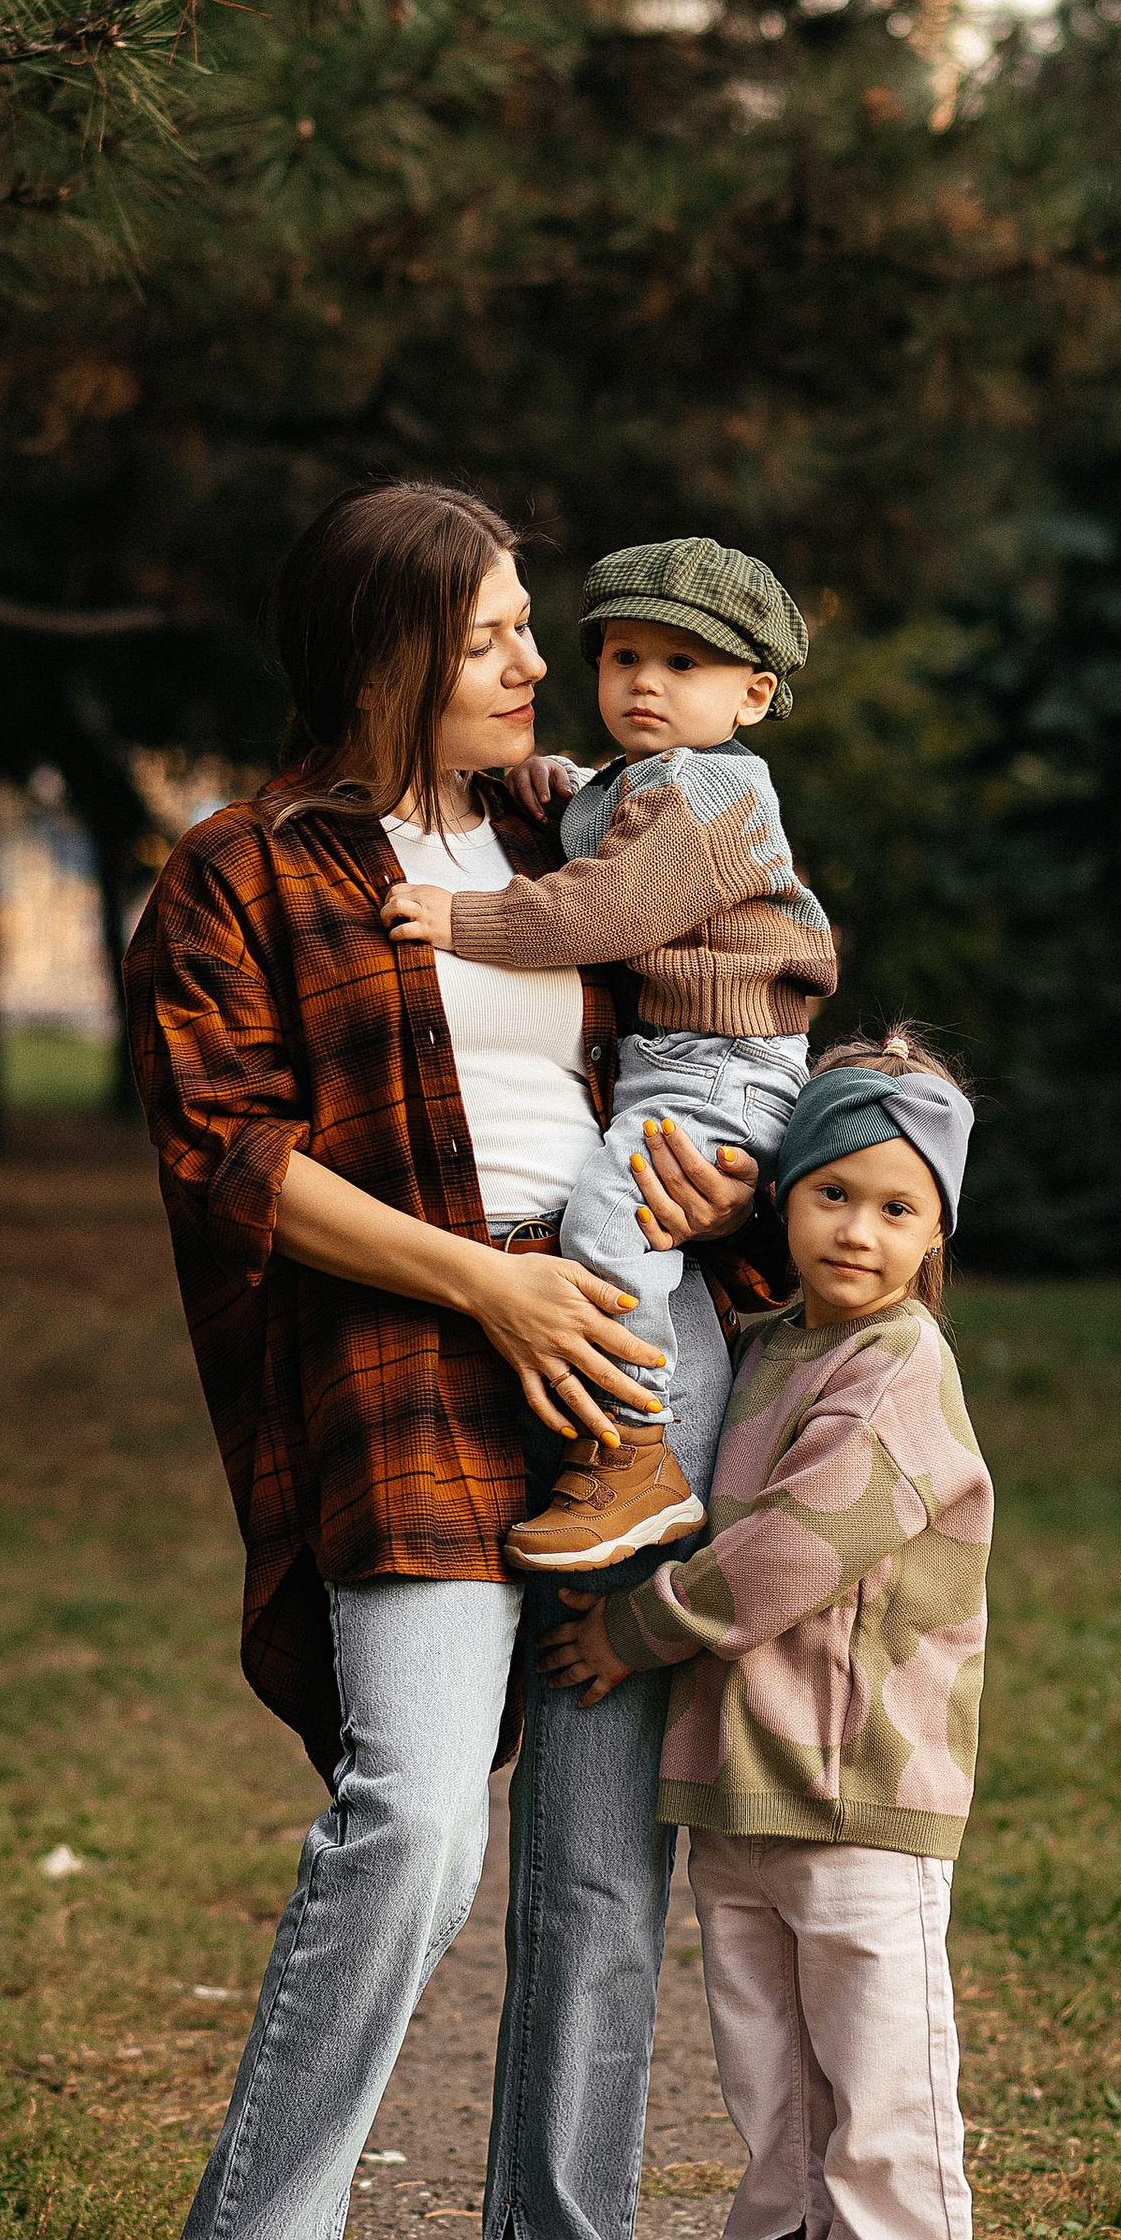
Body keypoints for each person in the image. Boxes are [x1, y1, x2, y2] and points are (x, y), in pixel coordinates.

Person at [109, 479, 766, 2240]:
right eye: (490, 631)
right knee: (406, 1819)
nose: (534, 660)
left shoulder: (587, 824)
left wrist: (718, 1160)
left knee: (591, 1857)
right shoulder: (235, 871)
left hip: (633, 1363)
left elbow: (746, 1002)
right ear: (390, 650)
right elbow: (224, 1156)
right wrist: (486, 1281)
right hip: (411, 1362)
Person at [539, 1029, 991, 2240]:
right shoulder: (771, 1343)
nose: (860, 1229)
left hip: (858, 1787)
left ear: (938, 1231)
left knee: (879, 2078)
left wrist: (632, 1629)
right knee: (773, 2079)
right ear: (781, 1194)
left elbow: (796, 1551)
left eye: (899, 1205)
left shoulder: (902, 1366)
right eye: (833, 1192)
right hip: (738, 1781)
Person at [380, 534, 835, 1574]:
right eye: (624, 656)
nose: (645, 682)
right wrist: (539, 785)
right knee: (626, 1210)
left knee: (609, 1213)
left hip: (726, 1060)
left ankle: (633, 1453)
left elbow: (609, 905)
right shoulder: (640, 781)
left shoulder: (716, 795)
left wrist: (465, 920)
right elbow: (595, 809)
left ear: (752, 696)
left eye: (684, 665)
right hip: (678, 1059)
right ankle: (631, 1445)